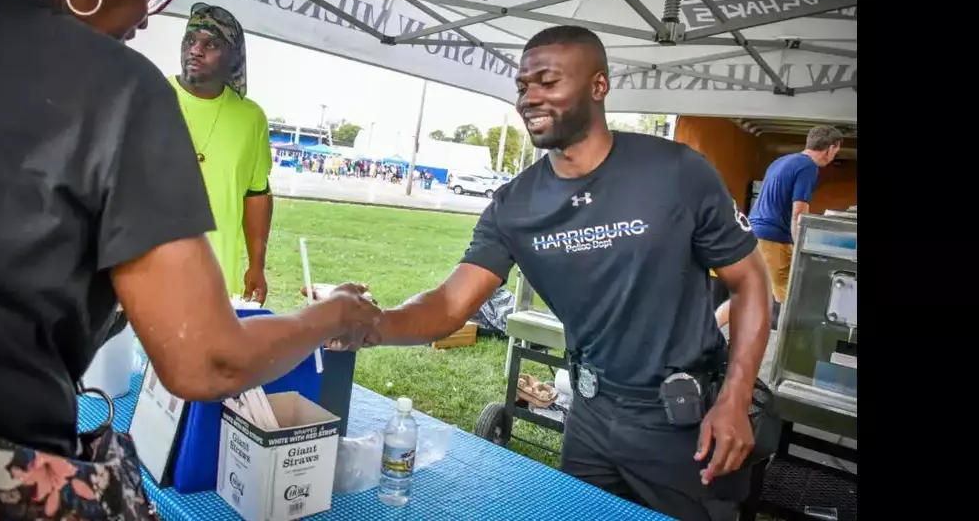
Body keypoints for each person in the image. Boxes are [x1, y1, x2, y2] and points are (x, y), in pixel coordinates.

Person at [0, 0, 380, 518]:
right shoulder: (112, 82)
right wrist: (330, 314)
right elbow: (207, 359)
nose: (149, 17)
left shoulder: (242, 116)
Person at [321, 26, 772, 521]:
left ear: (598, 86)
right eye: (522, 85)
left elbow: (750, 282)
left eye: (547, 81)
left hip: (682, 423)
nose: (528, 97)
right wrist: (372, 323)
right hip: (591, 414)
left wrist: (735, 397)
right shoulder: (514, 205)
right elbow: (450, 304)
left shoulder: (677, 172)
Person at [171, 4, 274, 303]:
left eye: (211, 44)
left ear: (233, 58)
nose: (196, 50)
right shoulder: (149, 97)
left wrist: (257, 264)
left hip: (216, 279)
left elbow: (256, 194)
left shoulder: (251, 117)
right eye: (190, 40)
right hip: (148, 276)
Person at [715, 125, 842, 330]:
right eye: (835, 151)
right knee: (791, 296)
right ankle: (787, 351)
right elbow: (799, 212)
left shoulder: (781, 161)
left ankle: (709, 330)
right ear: (830, 147)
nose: (833, 156)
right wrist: (802, 248)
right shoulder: (808, 166)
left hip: (754, 233)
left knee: (752, 293)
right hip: (773, 239)